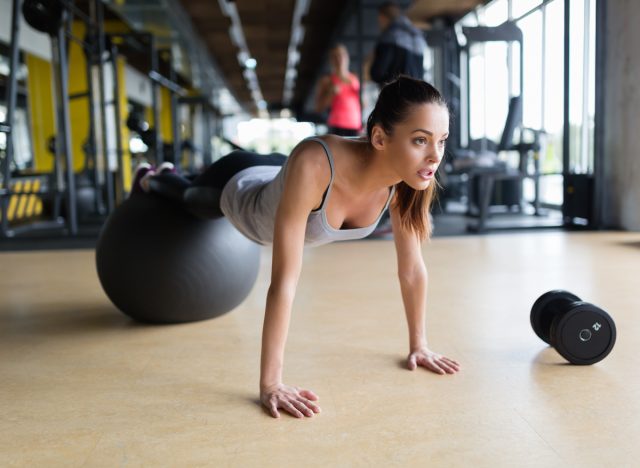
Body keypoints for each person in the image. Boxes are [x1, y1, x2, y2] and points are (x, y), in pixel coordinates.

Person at [131, 76, 460, 419]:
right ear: (379, 137)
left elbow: (411, 269)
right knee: (190, 199)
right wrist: (271, 384)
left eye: (442, 140)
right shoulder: (318, 164)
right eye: (421, 140)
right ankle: (153, 178)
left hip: (280, 173)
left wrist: (419, 345)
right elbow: (284, 282)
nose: (435, 156)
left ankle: (166, 175)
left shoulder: (410, 179)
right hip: (240, 187)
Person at [369, 2, 427, 86]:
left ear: (383, 17)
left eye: (379, 19)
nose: (379, 23)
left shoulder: (389, 37)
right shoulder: (417, 36)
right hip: (415, 94)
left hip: (395, 93)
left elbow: (377, 73)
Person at [315, 44, 362, 137]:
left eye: (342, 55)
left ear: (347, 57)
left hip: (356, 125)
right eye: (335, 56)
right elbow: (318, 108)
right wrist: (330, 94)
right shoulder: (327, 80)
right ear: (331, 60)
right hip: (336, 126)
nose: (339, 58)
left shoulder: (355, 78)